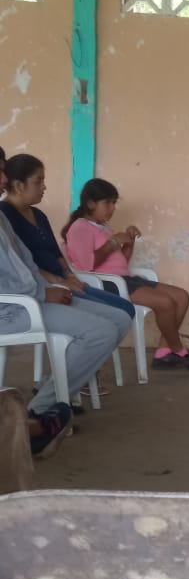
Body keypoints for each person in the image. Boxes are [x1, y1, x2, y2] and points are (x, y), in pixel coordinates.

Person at [0, 151, 130, 454]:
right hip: (12, 309)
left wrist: (52, 285)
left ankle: (51, 395)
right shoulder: (6, 213)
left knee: (121, 319)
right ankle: (41, 409)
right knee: (101, 332)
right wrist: (43, 293)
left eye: (3, 171)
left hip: (33, 295)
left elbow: (27, 262)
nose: (4, 179)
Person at [63, 178, 189, 372]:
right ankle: (179, 350)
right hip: (106, 284)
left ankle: (164, 352)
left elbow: (121, 262)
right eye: (107, 203)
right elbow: (87, 265)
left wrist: (129, 242)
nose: (112, 208)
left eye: (114, 203)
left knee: (181, 296)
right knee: (165, 303)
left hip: (124, 279)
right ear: (90, 203)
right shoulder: (80, 227)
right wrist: (113, 242)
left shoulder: (103, 227)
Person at [0, 154, 135, 323]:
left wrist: (70, 276)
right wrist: (59, 281)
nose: (44, 187)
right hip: (40, 286)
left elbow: (56, 253)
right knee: (111, 317)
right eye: (38, 181)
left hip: (61, 280)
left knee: (126, 308)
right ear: (19, 186)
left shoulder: (38, 215)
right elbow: (22, 262)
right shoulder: (5, 214)